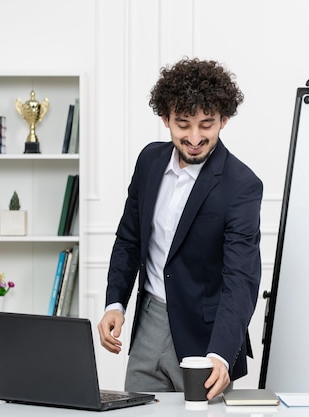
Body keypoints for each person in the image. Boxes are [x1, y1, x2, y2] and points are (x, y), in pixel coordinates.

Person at [98, 57, 263, 400]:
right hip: (148, 324)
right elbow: (129, 239)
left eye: (207, 124)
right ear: (165, 118)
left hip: (206, 338)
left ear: (224, 120)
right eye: (182, 124)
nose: (194, 137)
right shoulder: (149, 161)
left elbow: (241, 278)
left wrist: (221, 353)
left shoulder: (242, 185)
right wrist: (115, 303)